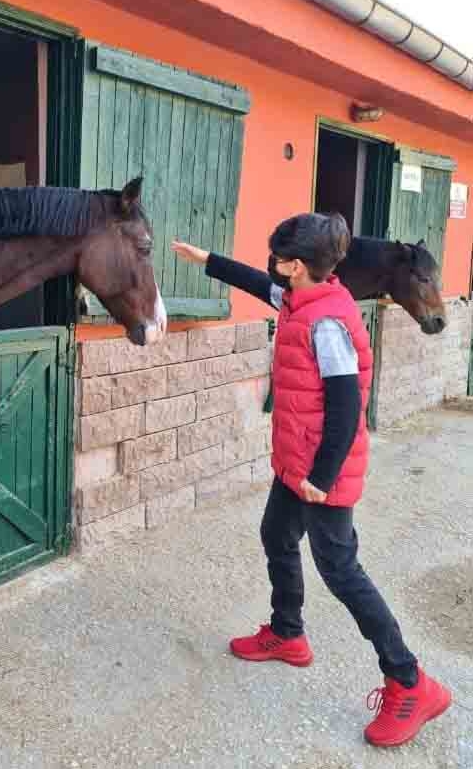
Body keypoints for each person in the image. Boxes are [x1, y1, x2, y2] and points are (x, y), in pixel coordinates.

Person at [171, 213, 452, 748]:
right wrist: (207, 261)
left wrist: (322, 478)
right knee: (276, 535)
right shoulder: (304, 296)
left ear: (297, 266)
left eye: (278, 258)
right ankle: (287, 633)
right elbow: (261, 285)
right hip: (296, 462)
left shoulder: (326, 322)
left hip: (323, 469)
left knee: (342, 570)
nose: (272, 266)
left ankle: (411, 682)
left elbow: (348, 406)